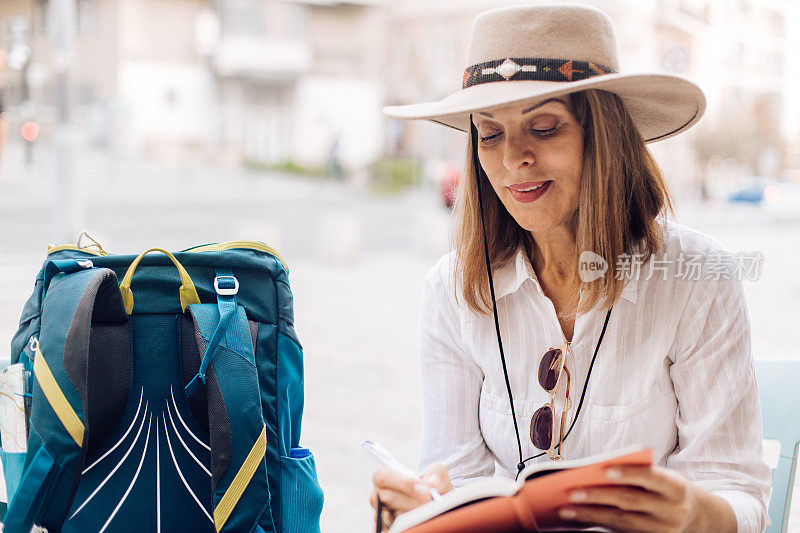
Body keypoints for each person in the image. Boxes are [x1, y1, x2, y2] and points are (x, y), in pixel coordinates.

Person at [371, 4, 771, 533]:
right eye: (489, 134)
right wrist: (424, 509)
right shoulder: (450, 290)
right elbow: (457, 477)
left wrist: (695, 513)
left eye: (543, 126)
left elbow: (739, 496)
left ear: (604, 137)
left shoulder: (699, 278)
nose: (513, 158)